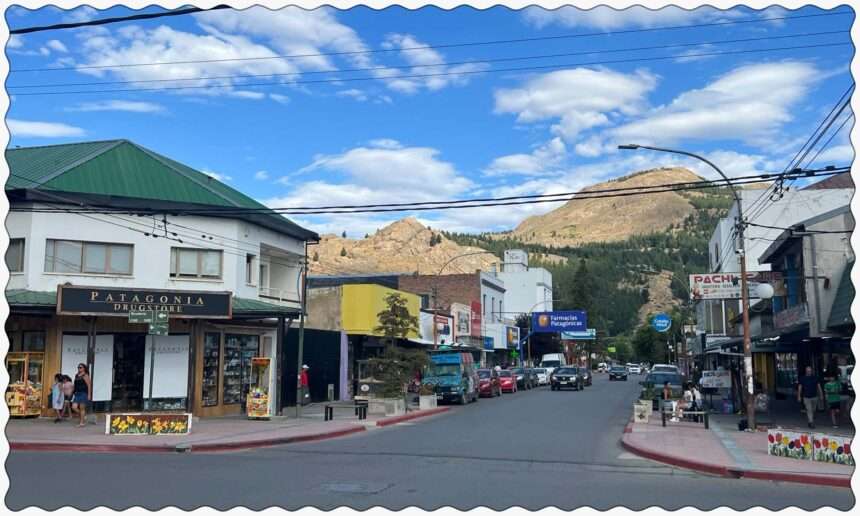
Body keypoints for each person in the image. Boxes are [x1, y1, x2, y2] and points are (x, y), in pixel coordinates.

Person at [71, 363, 92, 428]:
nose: (79, 368)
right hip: (77, 393)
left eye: (80, 367)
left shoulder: (85, 375)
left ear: (84, 368)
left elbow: (89, 385)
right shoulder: (76, 375)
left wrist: (89, 395)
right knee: (74, 407)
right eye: (78, 367)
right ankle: (83, 416)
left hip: (83, 393)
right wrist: (72, 391)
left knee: (82, 408)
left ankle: (82, 423)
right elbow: (75, 385)